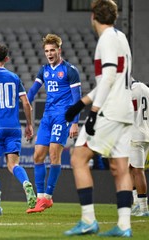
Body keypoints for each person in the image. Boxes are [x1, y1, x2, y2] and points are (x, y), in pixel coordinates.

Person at [64, 0, 133, 237]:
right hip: (125, 110)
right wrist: (80, 103)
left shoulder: (106, 39)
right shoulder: (121, 37)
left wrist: (93, 111)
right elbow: (111, 79)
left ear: (93, 16)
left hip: (109, 110)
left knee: (78, 158)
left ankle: (88, 220)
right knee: (120, 167)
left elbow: (110, 75)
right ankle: (124, 225)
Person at [26, 33, 81, 214]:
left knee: (53, 154)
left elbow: (77, 98)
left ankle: (48, 197)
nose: (49, 54)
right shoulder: (44, 70)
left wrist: (74, 122)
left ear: (59, 50)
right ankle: (41, 196)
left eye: (52, 50)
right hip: (47, 117)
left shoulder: (70, 70)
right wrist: (23, 101)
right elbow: (33, 91)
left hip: (62, 117)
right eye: (47, 51)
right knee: (37, 155)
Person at [0, 43, 36, 216]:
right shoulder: (15, 77)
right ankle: (25, 182)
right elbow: (26, 103)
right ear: (7, 59)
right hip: (13, 126)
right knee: (13, 164)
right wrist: (29, 124)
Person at [129, 79, 149, 217]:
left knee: (137, 170)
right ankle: (136, 203)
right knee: (130, 168)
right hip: (145, 132)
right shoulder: (145, 88)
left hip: (135, 134)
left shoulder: (130, 91)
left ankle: (143, 208)